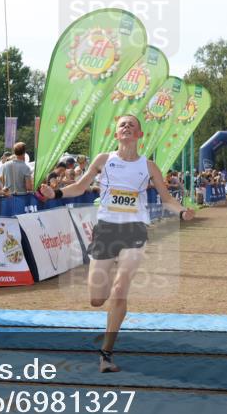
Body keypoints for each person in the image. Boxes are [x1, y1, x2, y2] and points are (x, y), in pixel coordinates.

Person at [39, 114, 194, 373]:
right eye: (122, 124)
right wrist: (55, 193)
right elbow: (79, 187)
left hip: (134, 231)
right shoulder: (104, 160)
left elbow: (166, 198)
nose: (126, 127)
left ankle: (106, 354)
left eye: (132, 125)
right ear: (116, 133)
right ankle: (108, 284)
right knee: (97, 299)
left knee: (121, 288)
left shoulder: (149, 166)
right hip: (106, 231)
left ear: (139, 135)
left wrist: (182, 212)